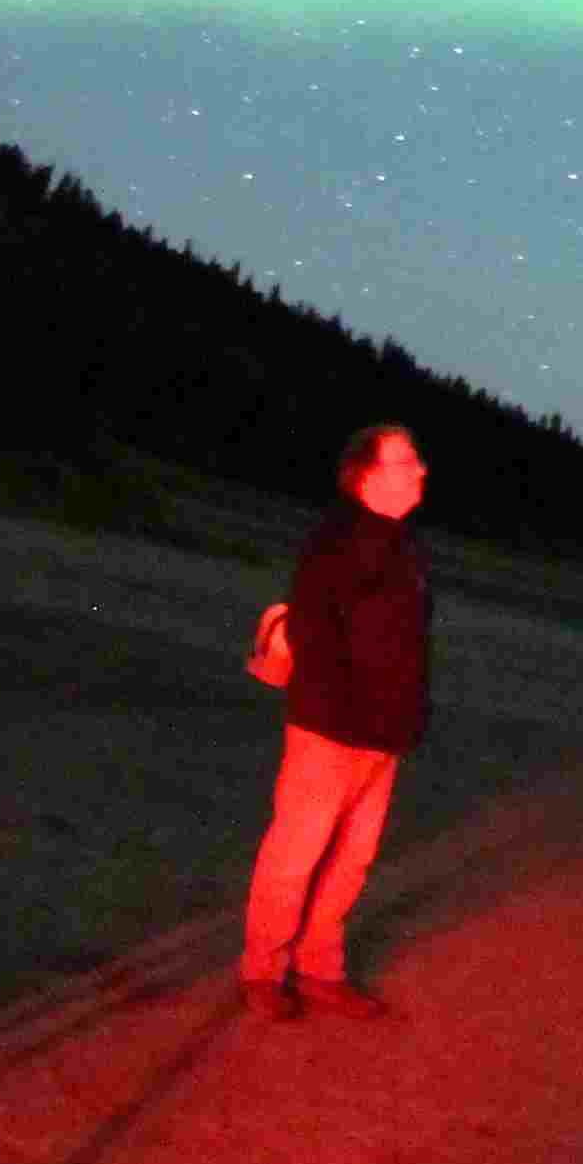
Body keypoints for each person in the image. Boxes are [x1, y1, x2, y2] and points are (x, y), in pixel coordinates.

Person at [241, 420, 432, 1022]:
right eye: (407, 462)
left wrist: (403, 716)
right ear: (368, 476)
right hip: (332, 727)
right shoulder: (338, 540)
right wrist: (347, 711)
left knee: (352, 858)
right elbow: (316, 635)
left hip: (383, 733)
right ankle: (263, 971)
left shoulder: (406, 544)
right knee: (297, 851)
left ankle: (319, 967)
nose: (421, 470)